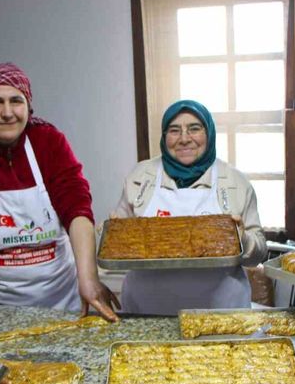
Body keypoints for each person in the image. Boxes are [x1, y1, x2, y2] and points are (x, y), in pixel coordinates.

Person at [0, 63, 119, 348]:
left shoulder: (49, 143)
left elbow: (78, 211)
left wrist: (89, 278)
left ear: (28, 108)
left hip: (62, 301)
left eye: (16, 101)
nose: (7, 112)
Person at [111, 99, 268, 315]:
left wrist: (244, 240)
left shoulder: (235, 182)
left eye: (194, 129)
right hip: (147, 310)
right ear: (164, 136)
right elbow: (116, 246)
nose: (184, 139)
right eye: (174, 130)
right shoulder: (140, 178)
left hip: (220, 312)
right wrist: (114, 235)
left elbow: (258, 253)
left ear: (209, 133)